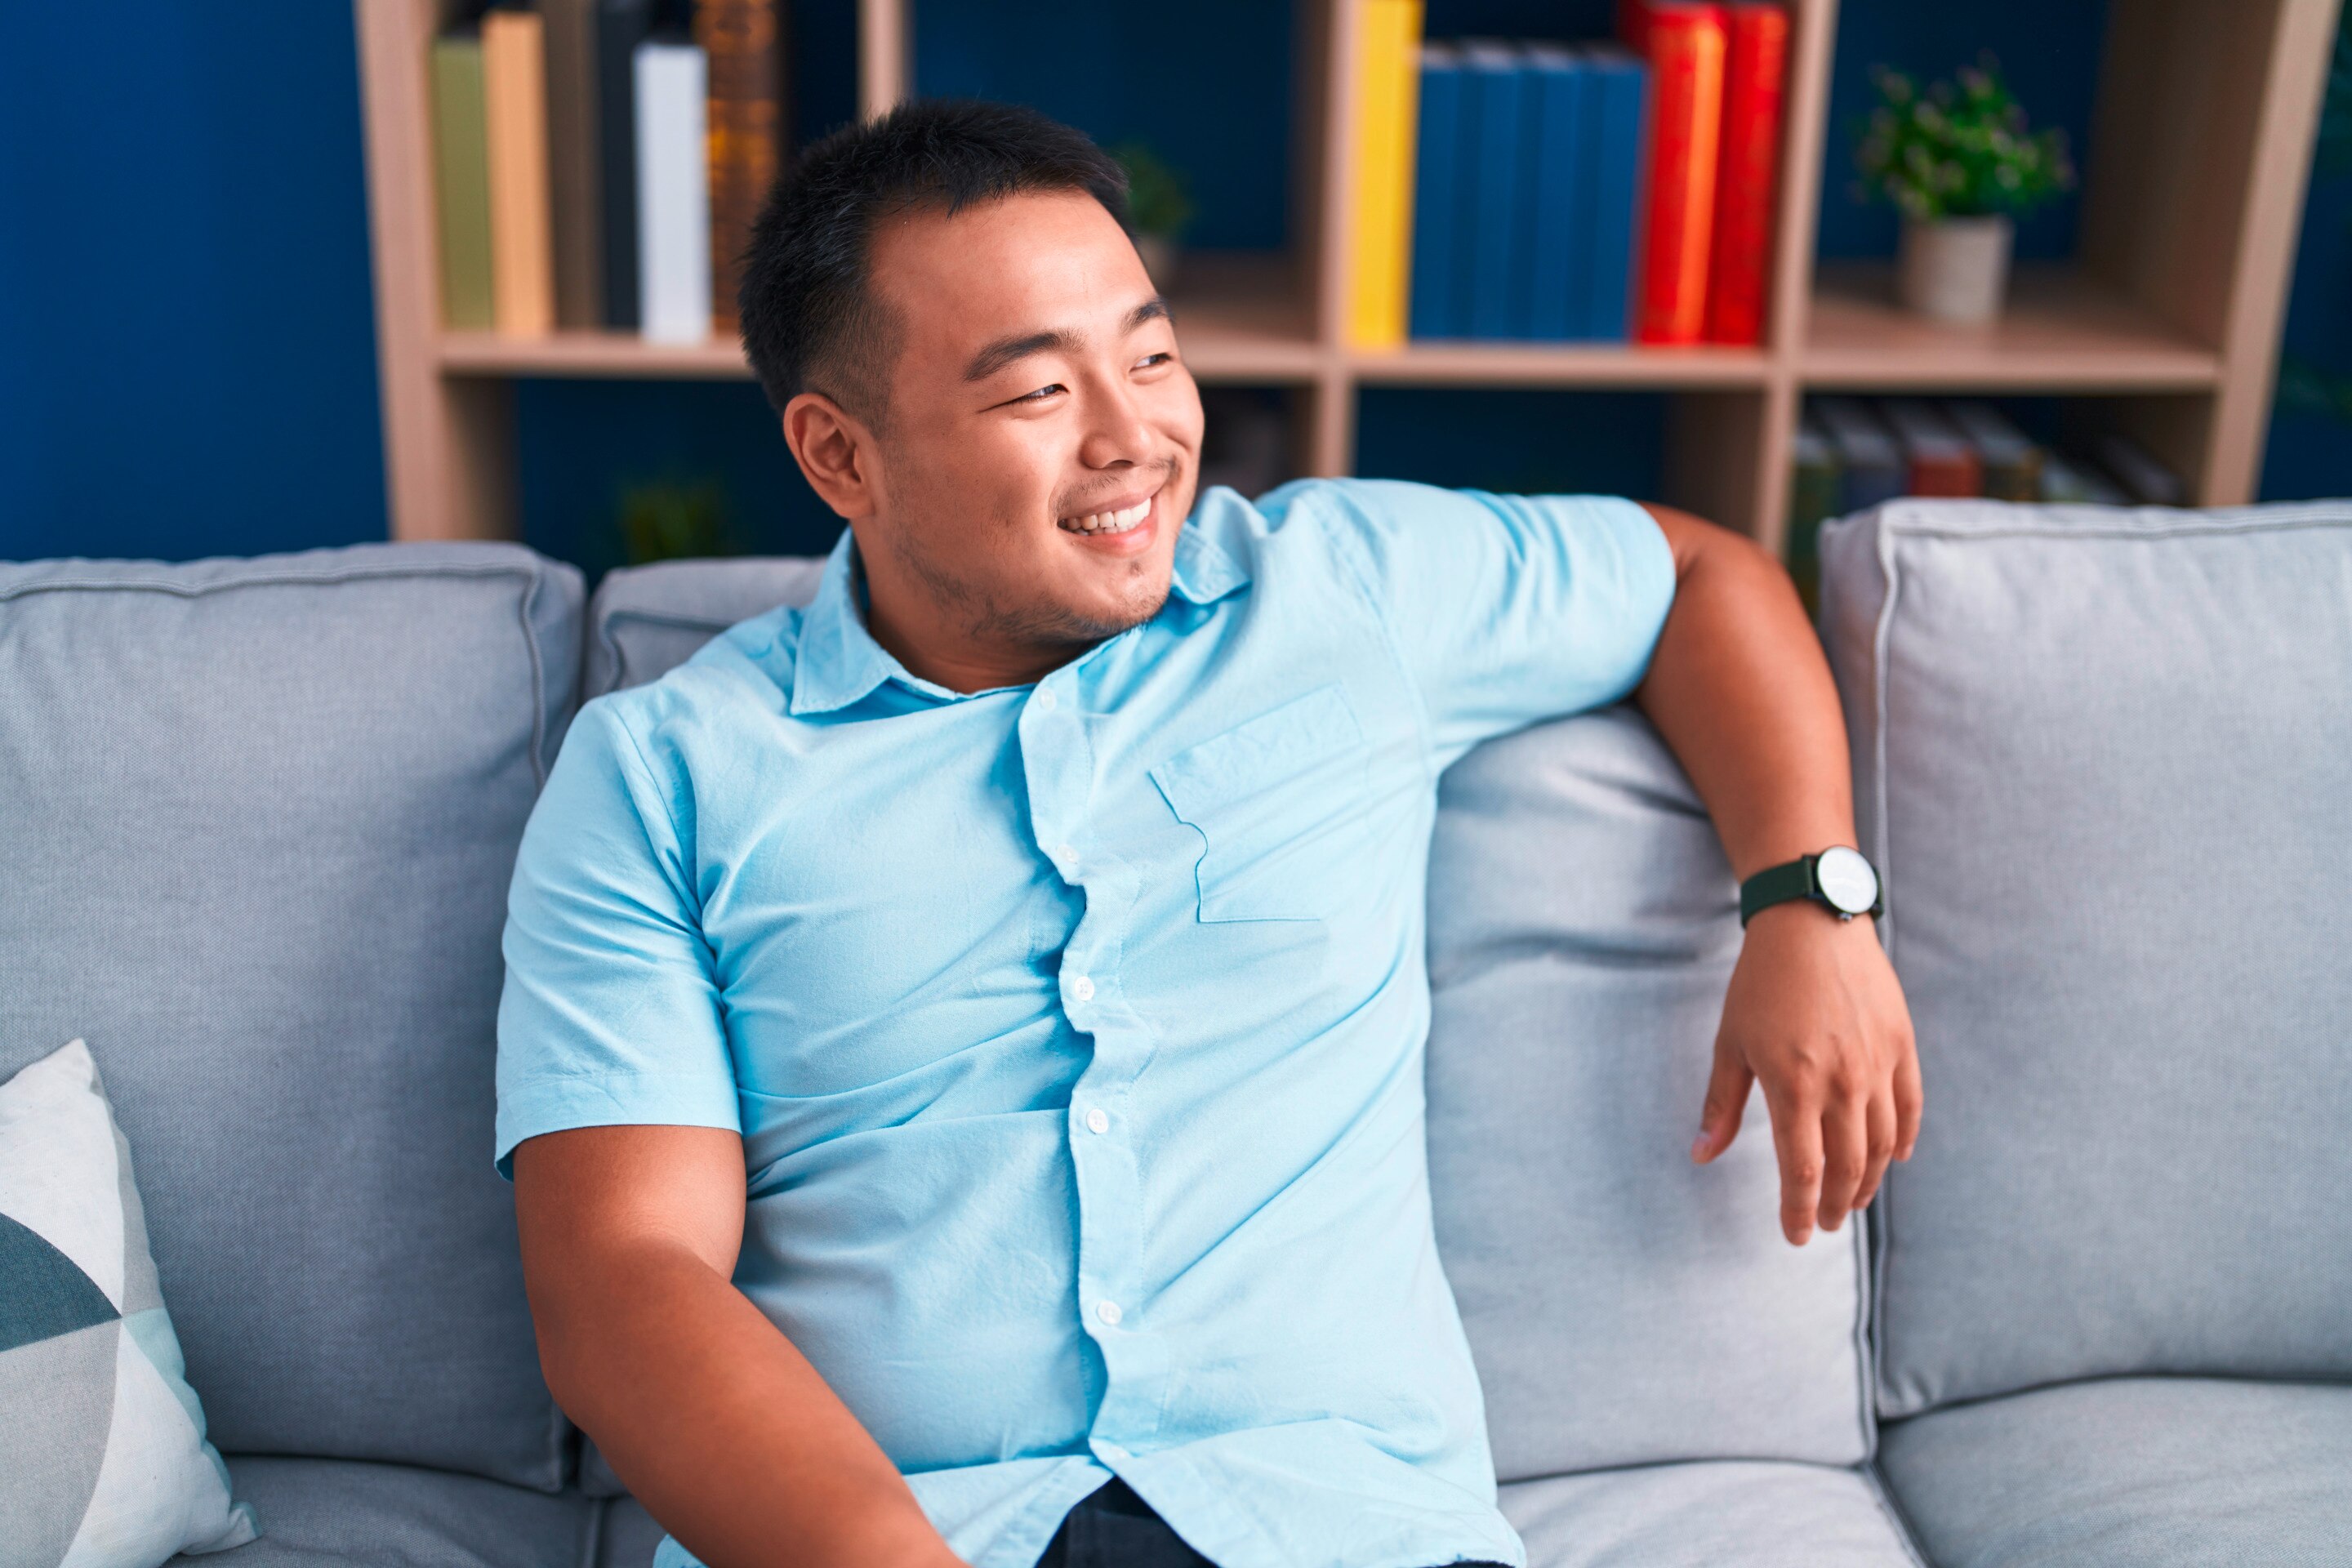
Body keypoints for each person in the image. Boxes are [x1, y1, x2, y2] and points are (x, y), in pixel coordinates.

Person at [495, 100, 1921, 1568]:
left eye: (1152, 357)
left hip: (1341, 1530)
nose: (1137, 441)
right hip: (911, 1535)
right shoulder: (664, 775)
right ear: (838, 455)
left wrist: (1810, 903)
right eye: (1037, 392)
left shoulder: (1344, 591)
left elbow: (1697, 575)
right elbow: (624, 1280)